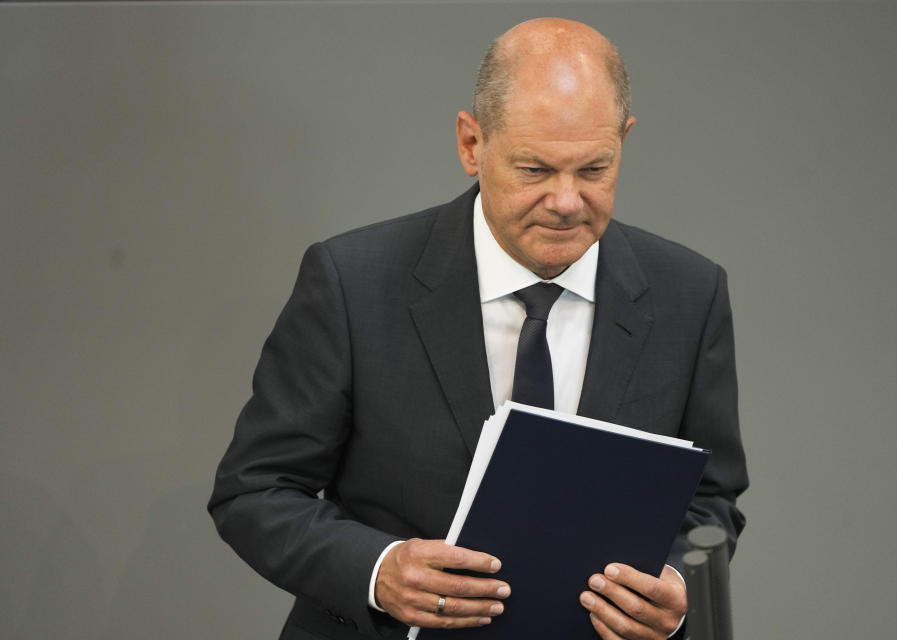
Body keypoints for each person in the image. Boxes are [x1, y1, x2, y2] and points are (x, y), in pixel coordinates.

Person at [209, 17, 747, 640]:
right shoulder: (352, 282)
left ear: (625, 140)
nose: (567, 201)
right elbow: (254, 491)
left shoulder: (691, 293)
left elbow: (713, 498)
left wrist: (676, 584)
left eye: (594, 170)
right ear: (472, 144)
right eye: (536, 171)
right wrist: (378, 571)